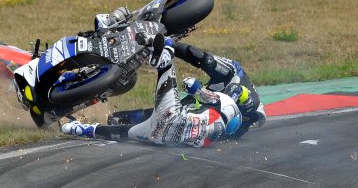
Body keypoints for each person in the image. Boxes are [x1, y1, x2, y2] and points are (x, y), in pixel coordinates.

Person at [61, 34, 254, 148]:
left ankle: (164, 53)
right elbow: (207, 128)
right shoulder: (215, 137)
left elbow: (204, 94)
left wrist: (195, 87)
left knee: (168, 68)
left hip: (171, 118)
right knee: (123, 133)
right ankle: (76, 128)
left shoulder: (228, 107)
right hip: (160, 137)